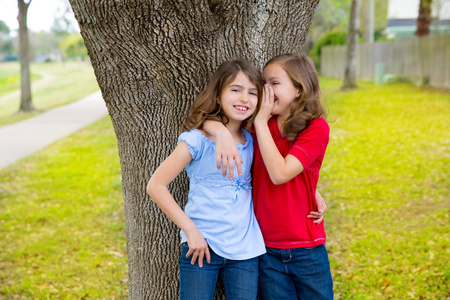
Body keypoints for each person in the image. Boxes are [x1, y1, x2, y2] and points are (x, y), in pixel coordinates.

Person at [204, 53, 333, 299]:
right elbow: (206, 121)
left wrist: (310, 188)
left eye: (274, 83)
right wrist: (220, 132)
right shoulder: (260, 125)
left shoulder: (315, 128)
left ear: (298, 88)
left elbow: (280, 174)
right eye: (264, 83)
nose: (266, 90)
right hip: (264, 248)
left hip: (306, 248)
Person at [147, 58, 266, 300]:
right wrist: (190, 230)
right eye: (235, 89)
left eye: (252, 92)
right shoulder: (197, 140)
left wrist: (312, 192)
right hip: (201, 245)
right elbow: (156, 186)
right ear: (218, 94)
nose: (244, 98)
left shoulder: (254, 140)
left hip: (245, 249)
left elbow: (277, 172)